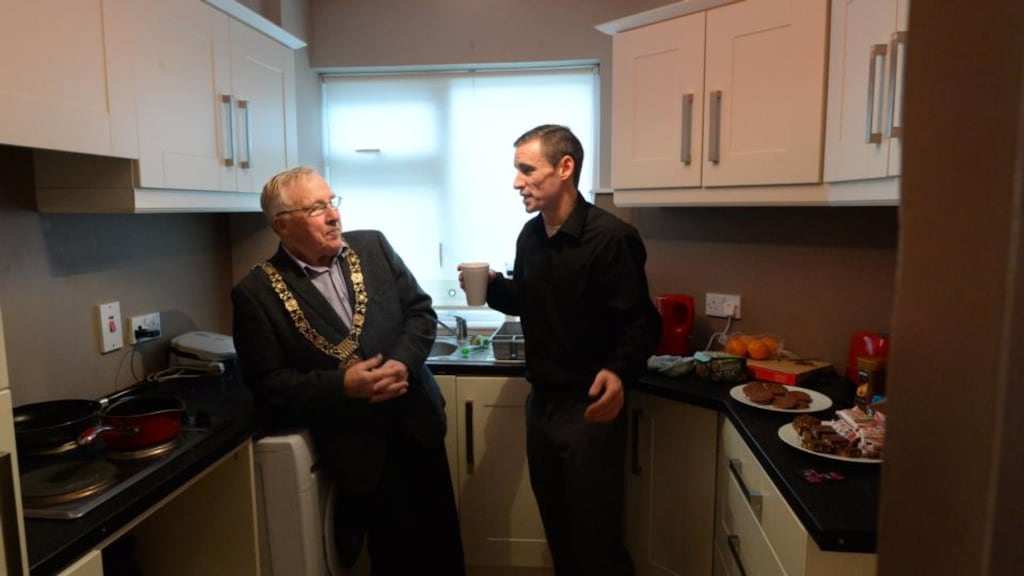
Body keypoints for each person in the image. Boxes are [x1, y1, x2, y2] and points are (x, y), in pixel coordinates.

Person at [232, 166, 464, 575]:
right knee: (395, 557)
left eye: (332, 202)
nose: (333, 215)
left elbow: (420, 313)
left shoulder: (372, 247)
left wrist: (401, 363)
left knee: (443, 547)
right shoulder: (257, 294)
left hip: (418, 423)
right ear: (282, 224)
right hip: (359, 448)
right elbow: (268, 385)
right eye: (316, 208)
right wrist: (343, 387)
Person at [463, 125, 661, 575]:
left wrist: (619, 371)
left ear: (565, 167)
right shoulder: (531, 236)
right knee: (559, 531)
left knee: (597, 541)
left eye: (526, 170)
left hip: (588, 409)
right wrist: (494, 288)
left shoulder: (612, 238)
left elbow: (642, 323)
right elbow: (529, 299)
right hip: (543, 405)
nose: (517, 182)